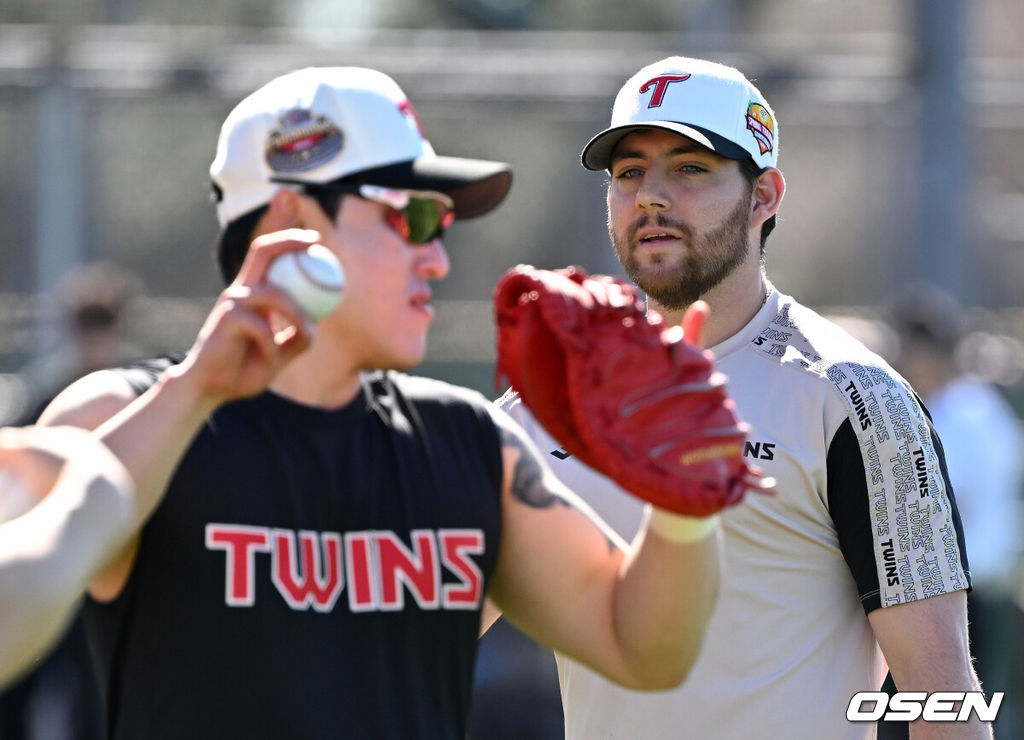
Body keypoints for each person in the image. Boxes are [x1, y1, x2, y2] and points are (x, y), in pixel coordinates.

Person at [34, 66, 734, 739]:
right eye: (415, 217)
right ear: (294, 221)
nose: (438, 259)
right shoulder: (113, 418)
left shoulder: (467, 444)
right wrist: (195, 391)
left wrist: (681, 508)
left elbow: (642, 647)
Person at [497, 56, 989, 738]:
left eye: (690, 168)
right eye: (629, 172)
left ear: (764, 197)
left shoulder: (855, 399)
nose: (650, 195)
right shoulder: (544, 401)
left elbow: (942, 689)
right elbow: (414, 634)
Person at [889, 283, 1024, 738]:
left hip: (973, 595)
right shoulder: (963, 406)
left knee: (969, 721)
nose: (904, 360)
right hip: (961, 592)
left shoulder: (965, 413)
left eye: (911, 349)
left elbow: (941, 506)